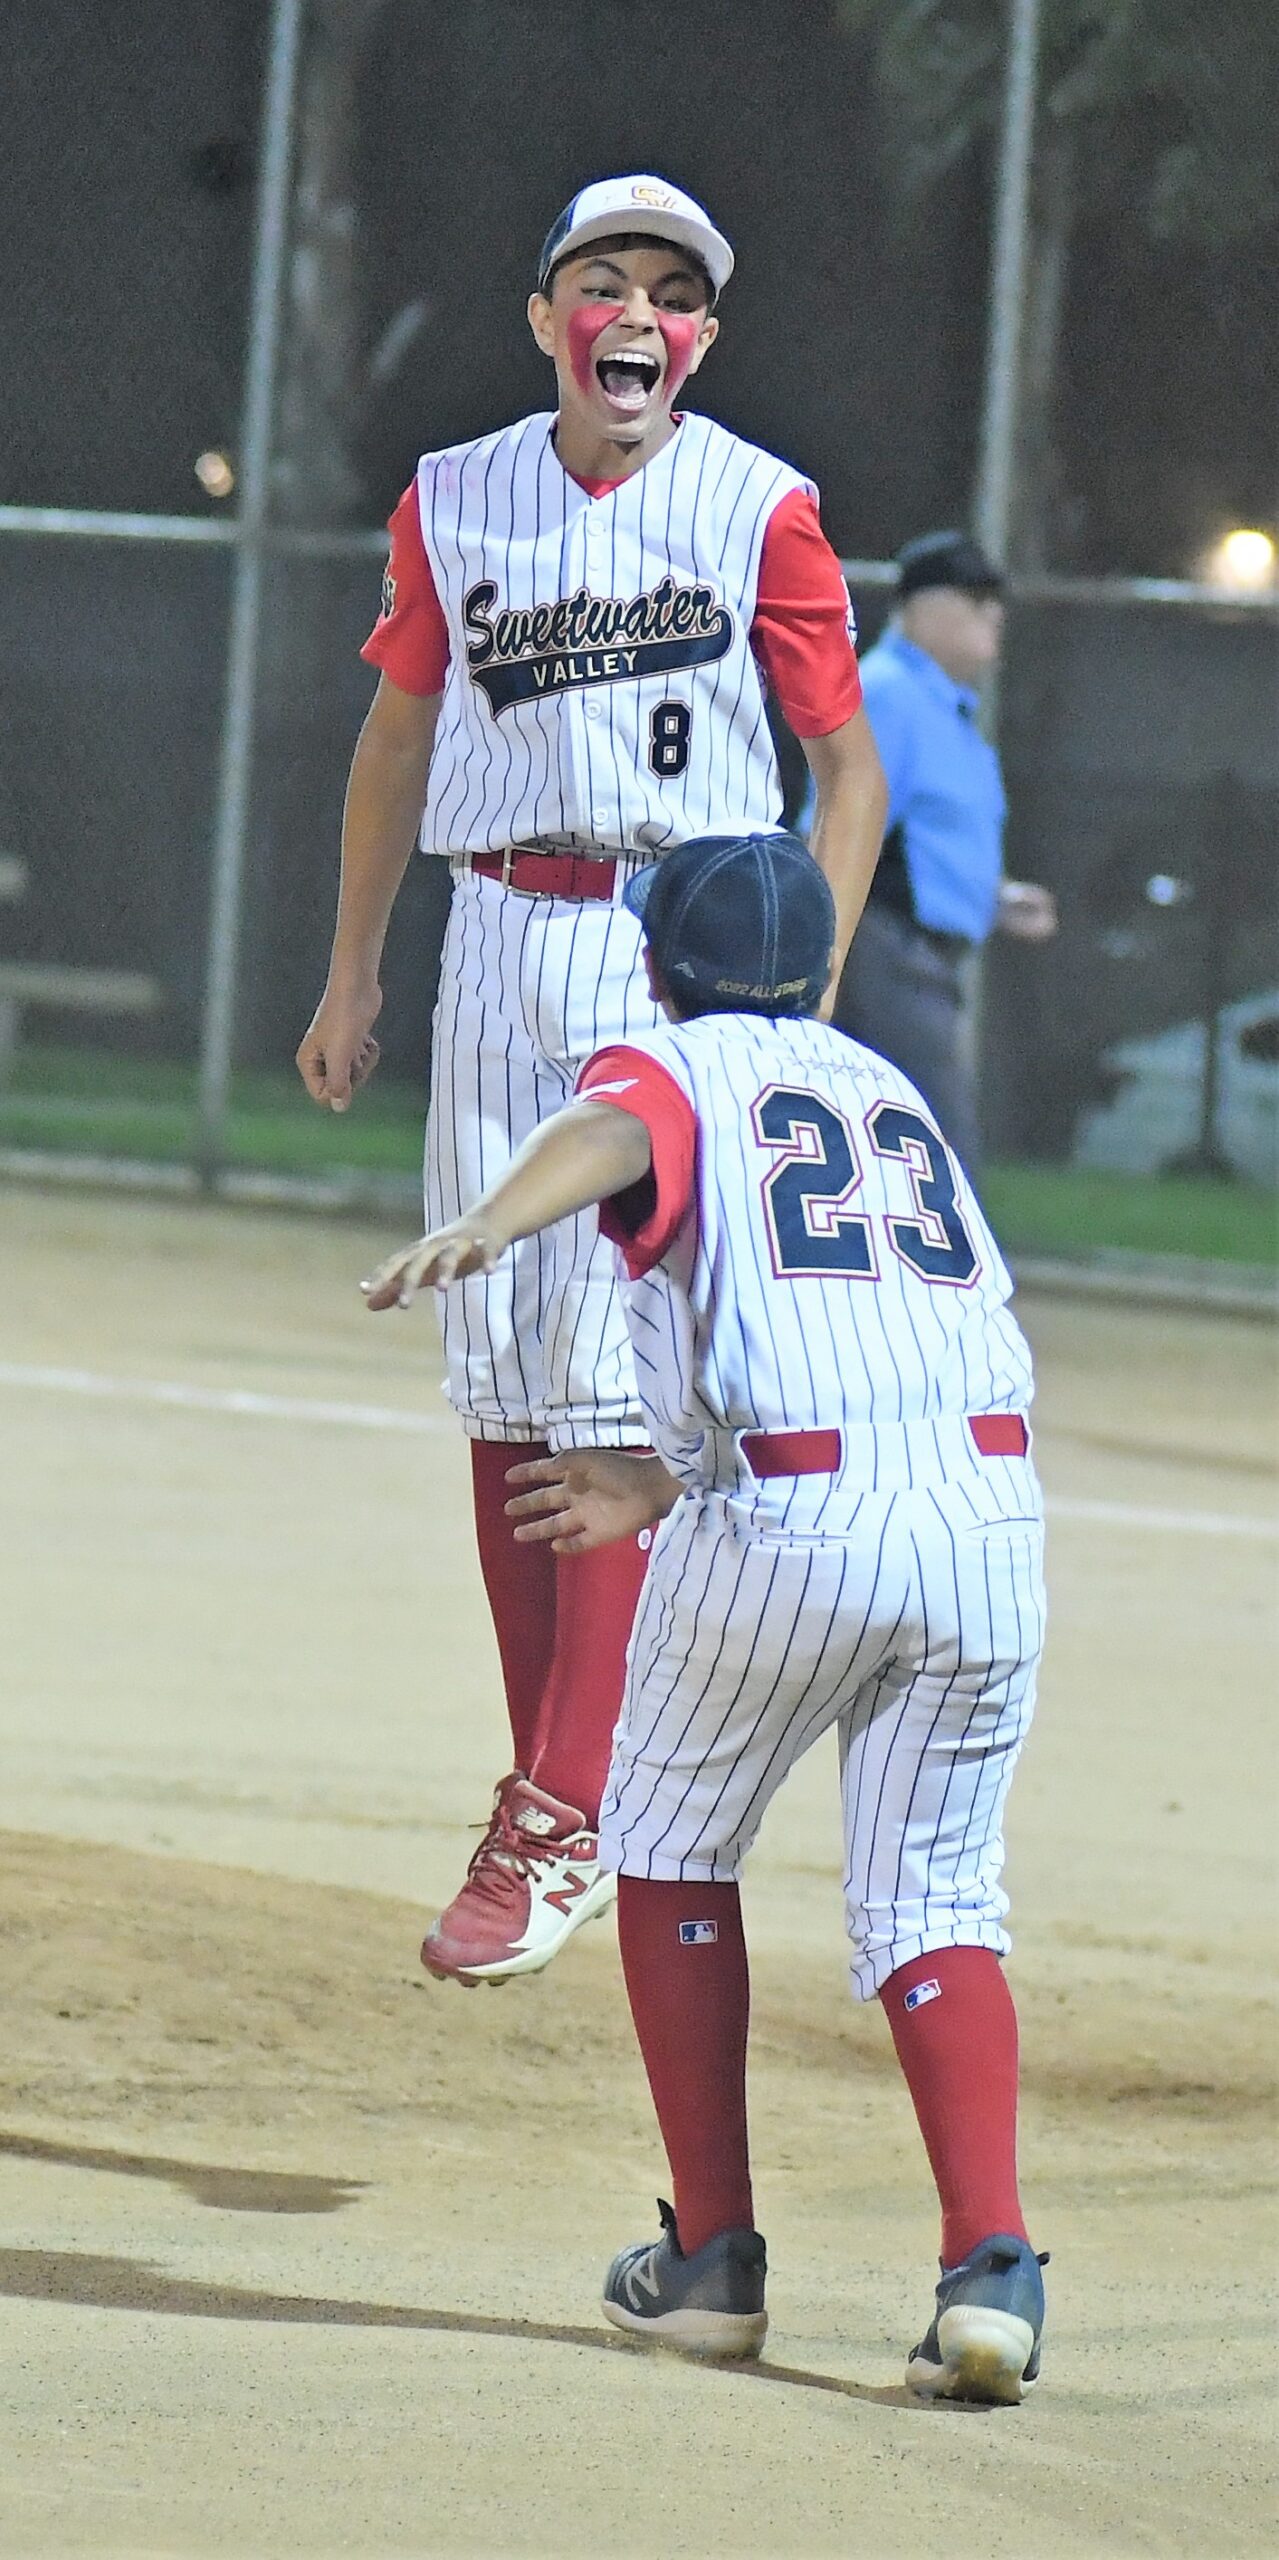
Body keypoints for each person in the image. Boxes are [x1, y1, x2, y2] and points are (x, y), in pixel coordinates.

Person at [362, 827, 1049, 2405]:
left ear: (655, 962)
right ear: (815, 966)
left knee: (665, 1846)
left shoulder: (674, 1060)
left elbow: (618, 1125)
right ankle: (989, 2271)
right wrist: (665, 1474)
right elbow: (843, 1346)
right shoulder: (881, 1087)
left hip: (790, 1525)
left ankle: (712, 2262)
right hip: (986, 1518)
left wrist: (493, 1220)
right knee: (935, 1899)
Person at [296, 175, 886, 1987]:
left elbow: (842, 778)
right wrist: (351, 967)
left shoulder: (756, 506)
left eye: (673, 293)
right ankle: (559, 1786)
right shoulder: (453, 496)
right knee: (500, 1379)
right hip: (499, 935)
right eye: (600, 282)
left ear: (697, 339)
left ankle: (562, 1801)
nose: (637, 313)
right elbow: (397, 739)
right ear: (544, 314)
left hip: (680, 946)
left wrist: (798, 991)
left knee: (607, 1377)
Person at [819, 530, 1056, 1174]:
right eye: (976, 597)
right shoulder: (890, 692)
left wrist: (994, 897)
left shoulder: (935, 704)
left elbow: (914, 839)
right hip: (882, 951)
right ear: (921, 606)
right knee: (940, 1160)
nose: (994, 613)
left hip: (913, 956)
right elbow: (833, 828)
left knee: (904, 1155)